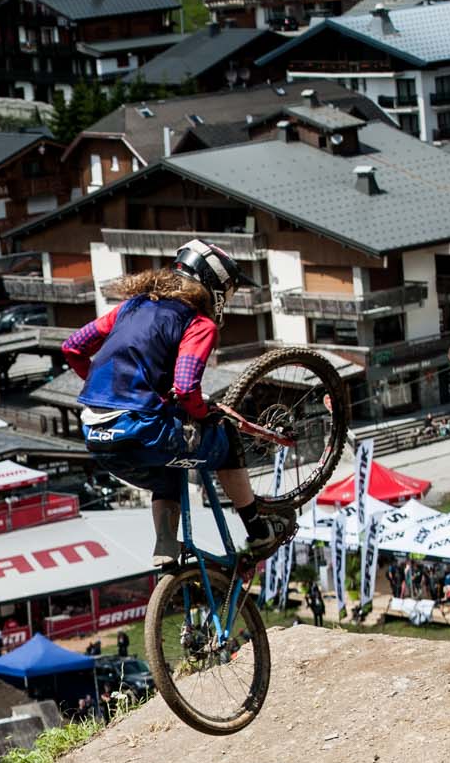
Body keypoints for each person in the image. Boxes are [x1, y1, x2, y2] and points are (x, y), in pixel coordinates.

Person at [61, 241, 293, 567]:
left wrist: (103, 388)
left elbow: (72, 347)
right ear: (213, 287)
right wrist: (204, 413)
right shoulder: (198, 323)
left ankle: (167, 549)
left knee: (166, 471)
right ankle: (258, 531)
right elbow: (185, 388)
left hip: (95, 434)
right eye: (227, 290)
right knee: (224, 436)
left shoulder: (130, 307)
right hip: (142, 430)